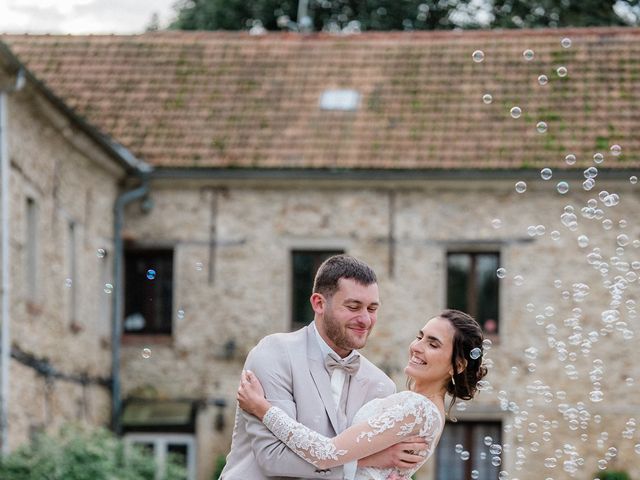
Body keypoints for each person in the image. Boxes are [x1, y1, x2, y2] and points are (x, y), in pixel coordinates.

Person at [220, 254, 428, 480]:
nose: (365, 320)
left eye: (372, 308)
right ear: (319, 303)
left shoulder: (382, 386)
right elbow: (274, 458)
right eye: (353, 306)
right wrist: (369, 460)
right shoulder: (274, 353)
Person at [237, 309, 488, 480]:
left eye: (433, 344)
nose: (417, 347)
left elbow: (327, 453)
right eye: (420, 337)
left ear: (458, 365)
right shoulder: (427, 409)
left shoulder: (417, 408)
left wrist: (263, 409)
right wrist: (375, 459)